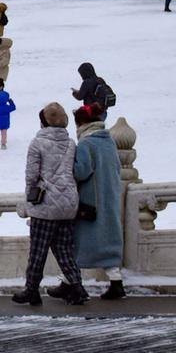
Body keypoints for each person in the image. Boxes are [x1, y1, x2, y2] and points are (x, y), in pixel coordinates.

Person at [14, 103, 85, 305]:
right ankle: (77, 287)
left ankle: (31, 289)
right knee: (64, 249)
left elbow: (32, 175)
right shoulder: (71, 143)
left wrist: (31, 199)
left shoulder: (38, 143)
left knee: (38, 250)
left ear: (44, 121)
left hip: (46, 204)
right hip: (69, 203)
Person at [72, 103, 125, 300]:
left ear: (82, 124)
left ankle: (69, 282)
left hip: (90, 203)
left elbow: (81, 171)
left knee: (77, 244)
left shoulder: (87, 144)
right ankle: (116, 282)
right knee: (109, 244)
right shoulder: (109, 141)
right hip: (110, 198)